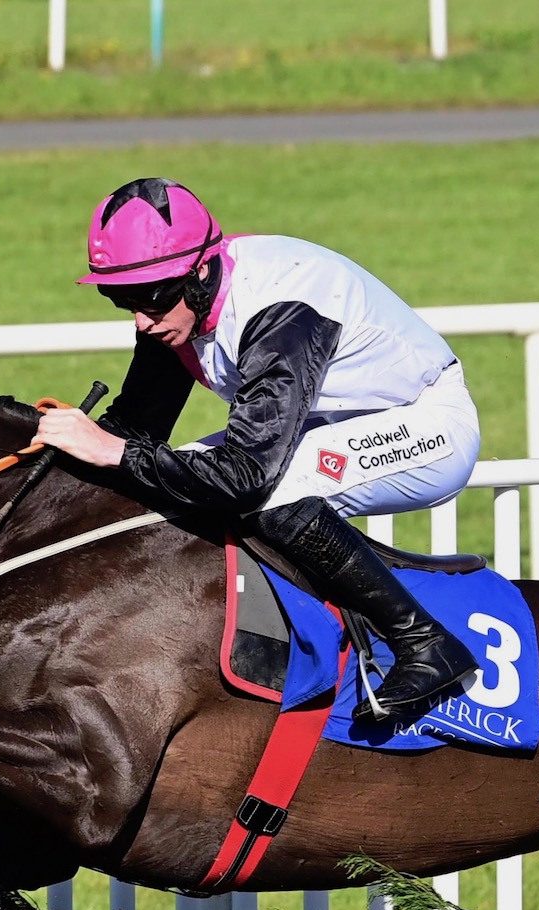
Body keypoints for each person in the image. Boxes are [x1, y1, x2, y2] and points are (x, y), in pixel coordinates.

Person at [35, 176, 481, 718]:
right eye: (120, 299)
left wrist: (114, 452)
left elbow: (246, 474)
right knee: (170, 484)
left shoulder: (281, 311)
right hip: (325, 424)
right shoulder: (176, 304)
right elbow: (138, 430)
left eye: (149, 299)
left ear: (200, 273)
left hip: (425, 425)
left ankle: (423, 643)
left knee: (266, 494)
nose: (139, 319)